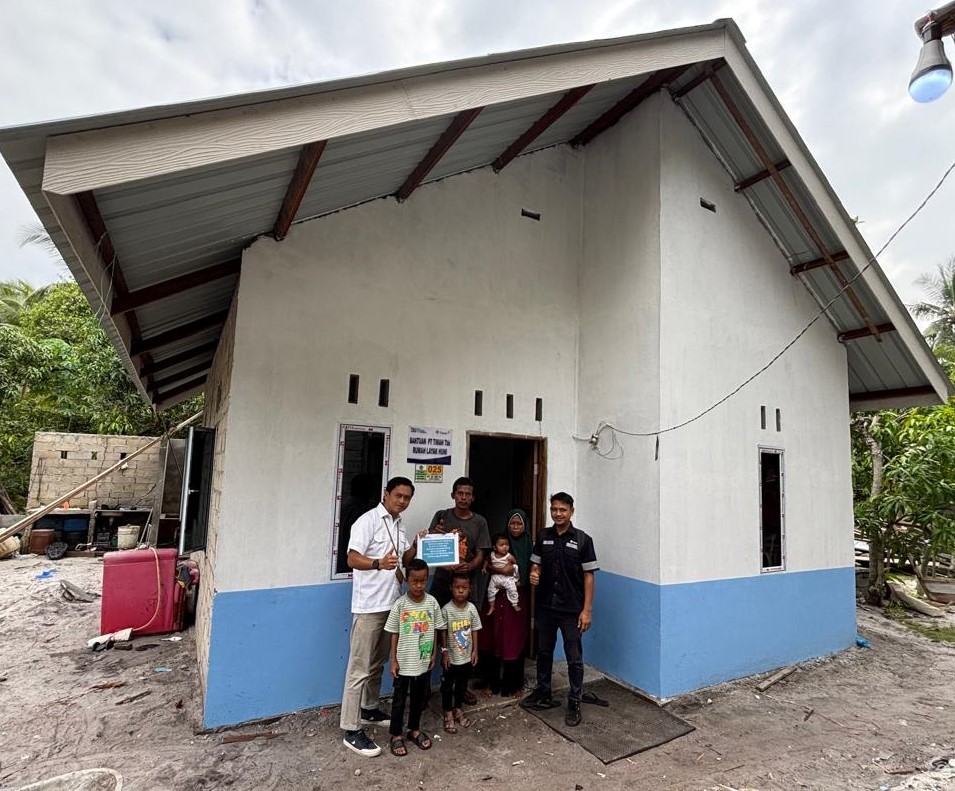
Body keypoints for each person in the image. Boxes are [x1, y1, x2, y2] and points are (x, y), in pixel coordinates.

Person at [340, 476, 423, 758]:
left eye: (407, 498)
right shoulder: (367, 521)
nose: (402, 501)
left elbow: (404, 560)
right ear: (386, 494)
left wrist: (416, 544)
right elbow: (352, 558)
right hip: (368, 606)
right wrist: (377, 563)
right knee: (359, 668)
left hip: (392, 604)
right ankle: (351, 729)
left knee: (377, 662)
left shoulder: (399, 525)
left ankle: (369, 709)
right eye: (398, 495)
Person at [521, 493, 598, 728]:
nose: (558, 513)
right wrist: (534, 573)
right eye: (554, 509)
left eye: (562, 510)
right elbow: (536, 565)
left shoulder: (583, 540)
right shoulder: (543, 536)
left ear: (571, 511)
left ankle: (574, 700)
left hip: (571, 609)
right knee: (544, 652)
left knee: (574, 658)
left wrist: (587, 610)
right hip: (546, 606)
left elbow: (589, 576)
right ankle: (543, 691)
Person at [385, 558, 445, 757]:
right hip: (403, 663)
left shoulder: (432, 603)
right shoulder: (400, 605)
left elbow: (435, 628)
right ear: (407, 580)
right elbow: (394, 633)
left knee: (419, 698)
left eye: (422, 581)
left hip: (423, 661)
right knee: (399, 700)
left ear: (427, 579)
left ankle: (414, 729)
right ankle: (396, 734)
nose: (419, 585)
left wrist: (434, 653)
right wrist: (393, 660)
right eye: (414, 581)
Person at [477, 508, 531, 698]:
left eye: (519, 524)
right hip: (497, 597)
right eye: (512, 524)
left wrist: (518, 577)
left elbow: (530, 569)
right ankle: (491, 683)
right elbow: (489, 565)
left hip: (517, 598)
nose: (516, 527)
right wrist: (499, 571)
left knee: (514, 638)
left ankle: (514, 685)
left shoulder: (528, 545)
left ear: (524, 526)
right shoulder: (500, 544)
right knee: (492, 637)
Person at [428, 477, 491, 608]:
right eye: (460, 493)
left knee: (465, 619)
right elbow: (430, 549)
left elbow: (480, 554)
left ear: (473, 498)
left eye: (467, 494)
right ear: (453, 495)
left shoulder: (480, 522)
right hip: (442, 580)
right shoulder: (442, 516)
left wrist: (469, 566)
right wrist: (434, 534)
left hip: (467, 581)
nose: (463, 498)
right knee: (438, 617)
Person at [439, 572, 481, 734]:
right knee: (447, 686)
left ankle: (458, 709)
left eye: (464, 587)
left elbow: (475, 630)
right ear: (451, 588)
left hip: (466, 657)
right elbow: (442, 631)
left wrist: (475, 650)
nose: (461, 591)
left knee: (462, 686)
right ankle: (447, 712)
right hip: (451, 658)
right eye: (457, 587)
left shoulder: (471, 609)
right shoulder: (446, 610)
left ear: (470, 589)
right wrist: (444, 652)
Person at [485, 533, 520, 614]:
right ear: (495, 547)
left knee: (513, 590)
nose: (505, 547)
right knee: (490, 591)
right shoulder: (492, 555)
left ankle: (515, 603)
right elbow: (486, 561)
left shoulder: (509, 556)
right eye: (501, 545)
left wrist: (511, 569)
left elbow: (515, 565)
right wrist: (484, 567)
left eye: (507, 544)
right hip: (495, 577)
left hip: (507, 577)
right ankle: (492, 606)